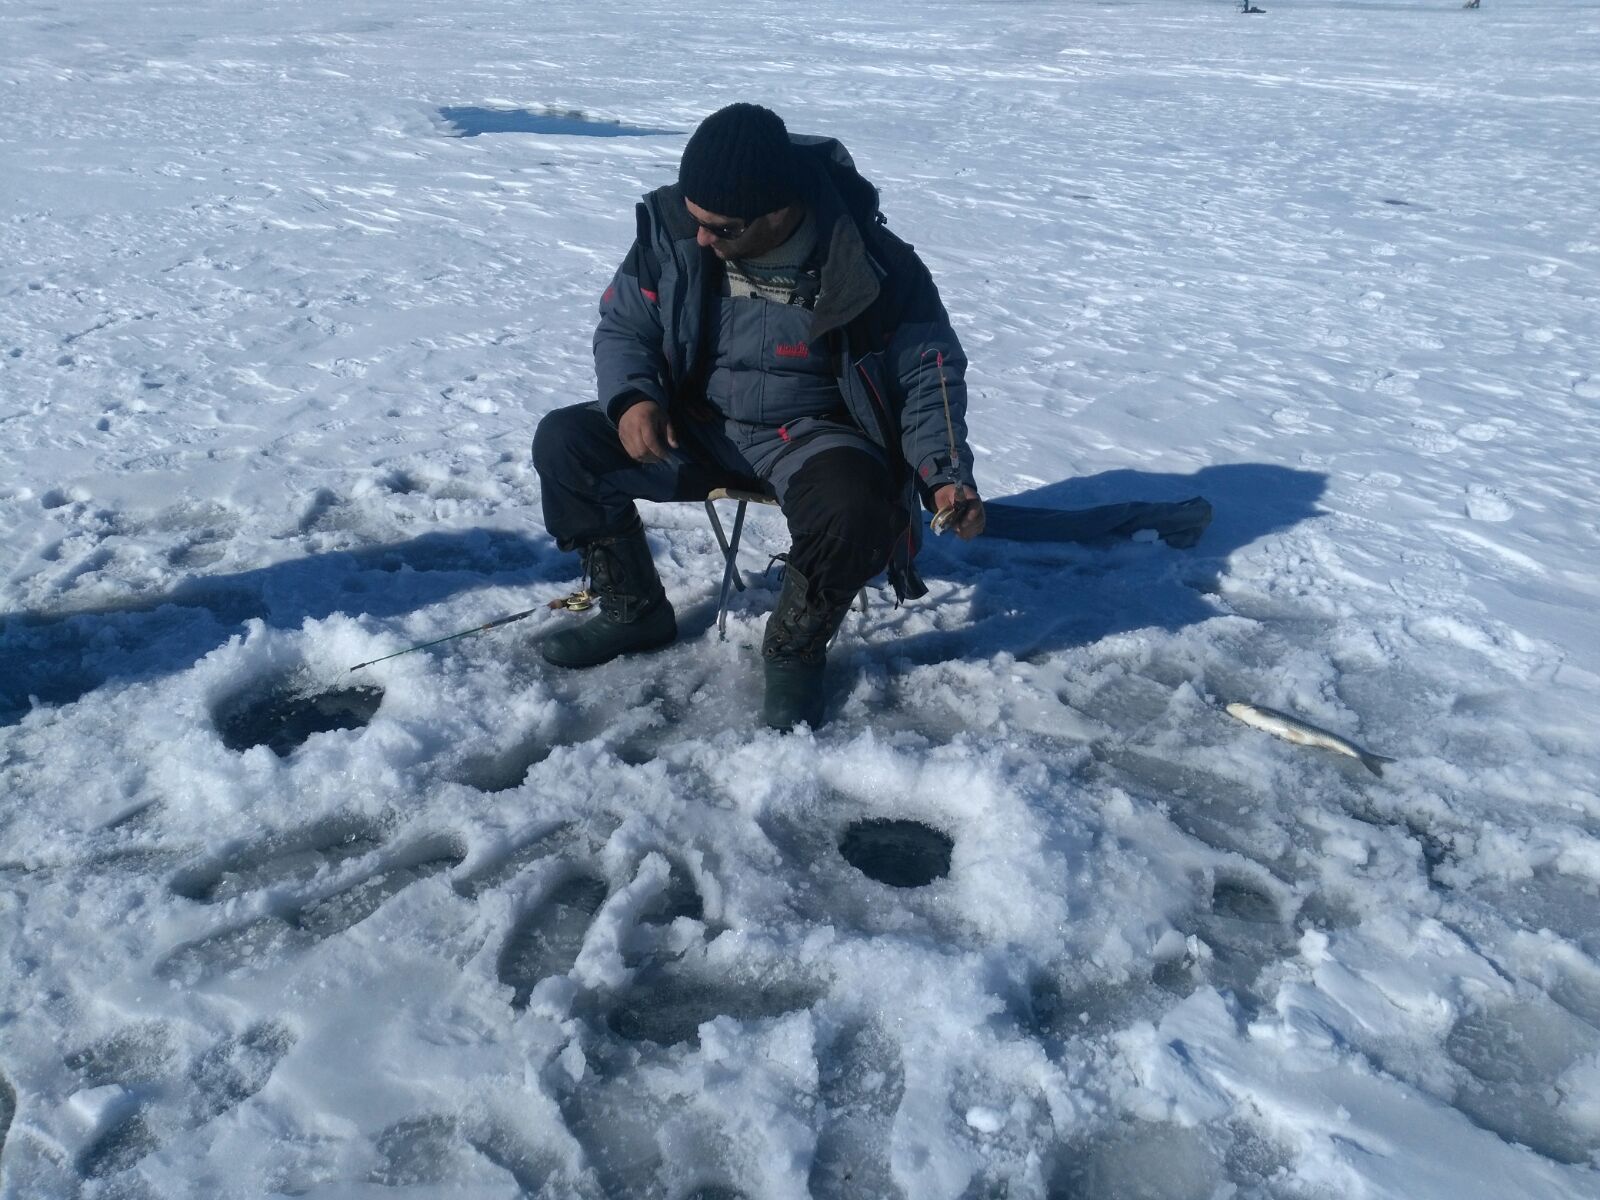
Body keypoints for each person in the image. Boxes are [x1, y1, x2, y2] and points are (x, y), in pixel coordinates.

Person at [532, 102, 984, 731]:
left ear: (779, 211)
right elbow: (624, 325)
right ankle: (634, 609)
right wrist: (634, 397)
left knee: (859, 507)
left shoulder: (872, 261)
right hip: (696, 424)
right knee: (566, 442)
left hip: (814, 438)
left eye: (722, 228)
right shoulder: (672, 231)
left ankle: (796, 648)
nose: (703, 240)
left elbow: (928, 372)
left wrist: (945, 471)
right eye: (696, 221)